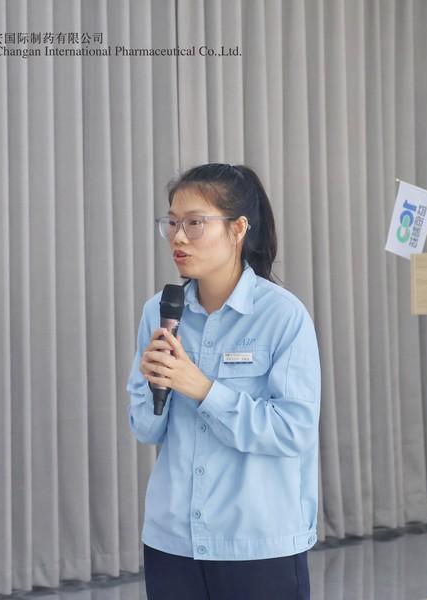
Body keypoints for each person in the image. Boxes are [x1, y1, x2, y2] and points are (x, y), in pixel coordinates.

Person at [126, 163, 321, 599]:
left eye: (194, 223)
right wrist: (153, 384)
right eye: (172, 223)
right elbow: (145, 428)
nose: (178, 237)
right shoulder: (159, 311)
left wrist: (202, 388)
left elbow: (293, 430)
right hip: (173, 542)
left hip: (257, 543)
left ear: (238, 229)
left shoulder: (282, 316)